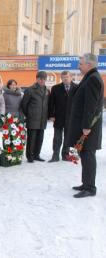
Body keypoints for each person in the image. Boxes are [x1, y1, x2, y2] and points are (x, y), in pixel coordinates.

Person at [67, 53, 104, 198]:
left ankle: (90, 188)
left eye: (81, 63)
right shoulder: (90, 77)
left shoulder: (93, 79)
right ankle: (86, 183)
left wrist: (87, 126)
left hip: (89, 127)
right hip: (86, 125)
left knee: (88, 155)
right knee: (85, 155)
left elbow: (91, 105)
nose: (79, 65)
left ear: (89, 65)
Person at [48, 71, 77, 162]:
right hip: (58, 117)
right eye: (63, 77)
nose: (65, 79)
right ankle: (55, 155)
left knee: (70, 137)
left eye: (67, 77)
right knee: (57, 138)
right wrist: (51, 115)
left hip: (72, 118)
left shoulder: (77, 88)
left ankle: (67, 155)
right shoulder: (55, 88)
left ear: (71, 77)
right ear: (61, 78)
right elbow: (51, 103)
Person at [21, 71, 50, 163]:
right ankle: (30, 156)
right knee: (31, 139)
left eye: (44, 79)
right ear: (37, 79)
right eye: (40, 78)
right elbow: (24, 104)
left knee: (40, 138)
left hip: (42, 118)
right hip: (32, 118)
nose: (42, 80)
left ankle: (37, 155)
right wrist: (29, 114)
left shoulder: (47, 90)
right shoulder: (30, 90)